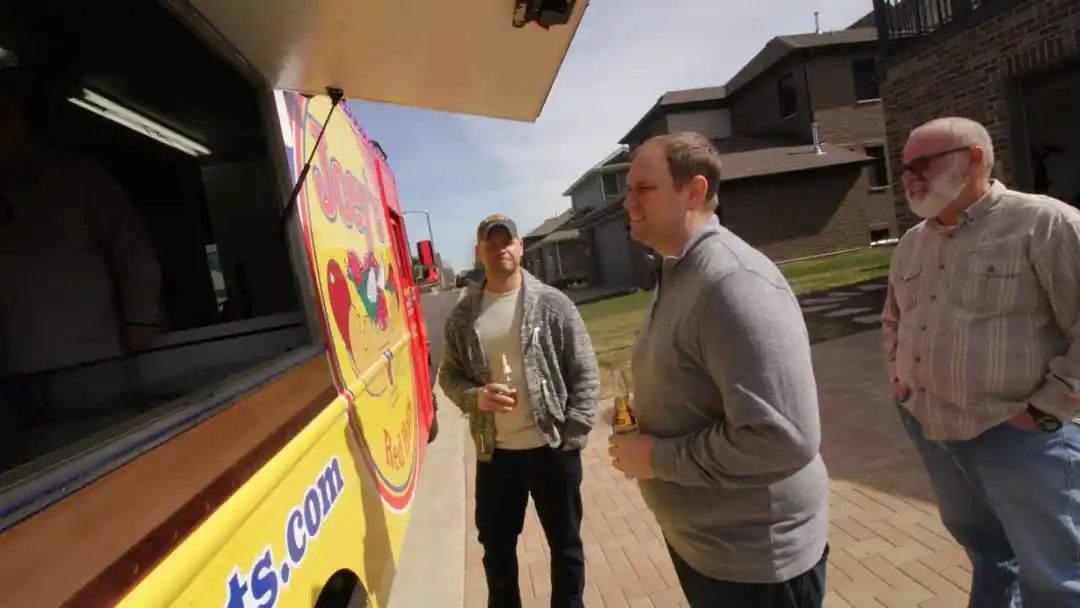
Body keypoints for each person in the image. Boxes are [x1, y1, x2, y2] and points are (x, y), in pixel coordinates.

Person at [607, 132, 829, 607]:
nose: (629, 203)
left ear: (694, 190)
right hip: (710, 549)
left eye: (643, 189)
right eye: (627, 190)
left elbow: (783, 437)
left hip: (755, 566)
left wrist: (656, 458)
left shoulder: (733, 283)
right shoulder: (678, 270)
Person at [882, 117, 1080, 606]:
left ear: (973, 159)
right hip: (932, 428)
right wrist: (901, 382)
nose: (909, 176)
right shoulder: (912, 242)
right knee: (990, 553)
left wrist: (1044, 411)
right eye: (903, 166)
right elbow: (894, 319)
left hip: (1019, 434)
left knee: (1055, 575)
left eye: (922, 163)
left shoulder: (1045, 223)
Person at [439, 214, 600, 608]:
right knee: (496, 551)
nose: (501, 248)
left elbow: (585, 370)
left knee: (565, 546)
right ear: (479, 252)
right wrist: (475, 397)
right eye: (491, 243)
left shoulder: (552, 303)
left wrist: (574, 434)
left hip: (552, 449)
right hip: (496, 456)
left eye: (507, 240)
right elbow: (448, 374)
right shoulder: (464, 315)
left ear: (520, 246)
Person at [0, 70, 161, 426]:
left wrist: (141, 318)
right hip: (11, 375)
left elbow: (134, 254)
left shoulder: (76, 177)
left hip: (88, 364)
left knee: (110, 453)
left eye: (5, 110)